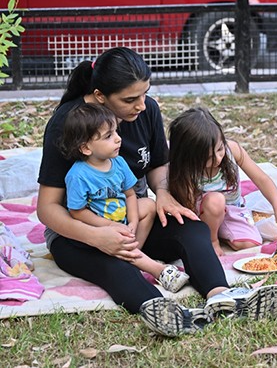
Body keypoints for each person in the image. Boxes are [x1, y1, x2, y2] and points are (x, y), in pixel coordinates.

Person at [37, 47, 277, 337]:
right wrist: (97, 236)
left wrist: (163, 192)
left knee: (191, 227)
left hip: (135, 222)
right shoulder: (68, 124)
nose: (141, 105)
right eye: (130, 99)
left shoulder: (147, 111)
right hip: (80, 234)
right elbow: (47, 209)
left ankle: (222, 296)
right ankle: (164, 311)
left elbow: (158, 165)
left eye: (145, 94)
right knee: (114, 267)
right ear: (99, 96)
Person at [60, 103, 189, 292]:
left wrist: (134, 221)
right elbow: (77, 212)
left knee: (148, 204)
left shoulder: (118, 163)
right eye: (108, 136)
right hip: (101, 226)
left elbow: (130, 194)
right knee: (117, 235)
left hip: (124, 220)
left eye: (116, 132)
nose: (119, 139)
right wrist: (108, 226)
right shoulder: (78, 176)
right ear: (86, 148)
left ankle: (131, 252)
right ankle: (158, 270)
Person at [168, 107, 277, 256]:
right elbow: (188, 207)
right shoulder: (187, 169)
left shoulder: (232, 149)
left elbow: (261, 178)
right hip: (202, 211)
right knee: (216, 201)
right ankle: (212, 239)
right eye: (208, 158)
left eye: (220, 149)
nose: (218, 158)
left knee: (249, 243)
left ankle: (222, 230)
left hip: (232, 209)